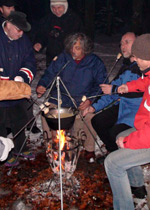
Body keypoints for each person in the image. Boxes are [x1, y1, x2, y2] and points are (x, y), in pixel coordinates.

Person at [36, 32, 107, 162]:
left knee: (90, 116)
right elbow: (49, 74)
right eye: (72, 47)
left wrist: (90, 100)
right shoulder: (63, 58)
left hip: (82, 100)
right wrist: (42, 85)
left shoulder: (95, 62)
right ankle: (52, 145)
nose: (74, 50)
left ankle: (89, 149)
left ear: (85, 49)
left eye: (78, 48)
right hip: (61, 98)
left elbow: (101, 84)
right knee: (46, 112)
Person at [104, 33, 150, 210]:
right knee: (121, 134)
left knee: (112, 163)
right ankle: (138, 187)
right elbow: (145, 82)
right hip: (145, 128)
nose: (134, 59)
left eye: (137, 57)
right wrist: (127, 86)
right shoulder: (148, 73)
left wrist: (129, 142)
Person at [83, 32, 143, 155]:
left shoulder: (143, 66)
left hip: (139, 112)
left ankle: (120, 158)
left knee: (115, 132)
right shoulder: (127, 66)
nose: (123, 46)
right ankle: (113, 152)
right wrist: (94, 107)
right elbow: (111, 91)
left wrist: (114, 89)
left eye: (127, 42)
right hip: (123, 107)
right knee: (97, 121)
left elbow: (139, 92)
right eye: (121, 43)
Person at [0, 11, 36, 167]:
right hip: (1, 90)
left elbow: (30, 61)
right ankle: (4, 153)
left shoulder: (23, 40)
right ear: (8, 25)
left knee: (20, 118)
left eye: (23, 30)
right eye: (18, 30)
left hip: (16, 90)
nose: (21, 34)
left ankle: (20, 147)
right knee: (0, 122)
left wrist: (23, 76)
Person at [33, 0, 84, 67]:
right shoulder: (48, 19)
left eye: (59, 7)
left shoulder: (74, 19)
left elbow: (82, 38)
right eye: (53, 7)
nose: (56, 10)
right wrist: (39, 43)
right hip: (52, 57)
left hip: (70, 57)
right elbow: (42, 34)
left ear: (65, 6)